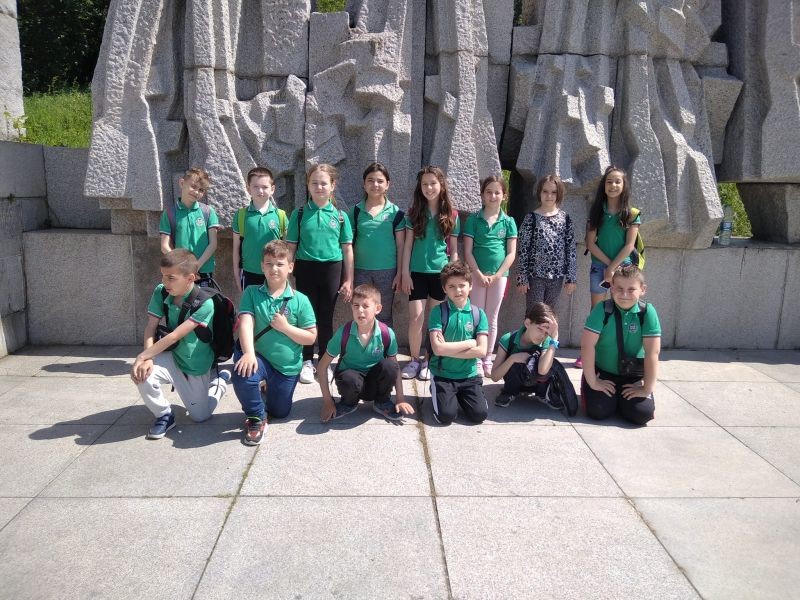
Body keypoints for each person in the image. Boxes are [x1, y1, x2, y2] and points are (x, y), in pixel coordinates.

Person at [130, 249, 230, 439]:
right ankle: (164, 415)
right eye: (162, 276)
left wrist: (142, 356)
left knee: (200, 416)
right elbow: (150, 327)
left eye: (171, 278)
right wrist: (147, 359)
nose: (164, 282)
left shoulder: (205, 303)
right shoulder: (161, 292)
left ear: (190, 278)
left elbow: (176, 335)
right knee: (142, 373)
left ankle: (220, 381)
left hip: (196, 364)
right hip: (172, 355)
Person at [231, 240, 317, 445]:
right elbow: (246, 323)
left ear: (290, 267)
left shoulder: (300, 299)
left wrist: (285, 327)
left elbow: (311, 337)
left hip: (286, 368)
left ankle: (267, 388)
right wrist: (248, 353)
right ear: (262, 266)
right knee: (243, 372)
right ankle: (256, 417)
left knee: (280, 412)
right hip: (260, 358)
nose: (274, 268)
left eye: (280, 264)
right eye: (269, 263)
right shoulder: (251, 292)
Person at [286, 163, 354, 384]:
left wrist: (348, 280)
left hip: (332, 269)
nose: (319, 187)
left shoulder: (341, 216)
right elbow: (291, 247)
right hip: (305, 268)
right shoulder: (299, 214)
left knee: (325, 318)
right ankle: (306, 360)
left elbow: (347, 250)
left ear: (332, 185)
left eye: (324, 183)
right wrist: (287, 276)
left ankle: (324, 361)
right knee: (306, 316)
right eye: (314, 183)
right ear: (308, 185)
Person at [318, 284, 414, 422]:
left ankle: (382, 402)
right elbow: (322, 366)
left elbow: (396, 368)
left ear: (378, 309)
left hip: (375, 383)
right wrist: (327, 401)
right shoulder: (343, 333)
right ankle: (348, 403)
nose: (360, 310)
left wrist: (400, 398)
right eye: (356, 305)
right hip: (352, 383)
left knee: (390, 366)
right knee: (349, 378)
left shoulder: (386, 333)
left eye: (365, 306)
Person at [400, 166, 460, 381]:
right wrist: (405, 273)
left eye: (433, 183)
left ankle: (428, 360)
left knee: (435, 321)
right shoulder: (414, 213)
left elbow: (454, 250)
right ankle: (414, 360)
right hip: (417, 273)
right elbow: (407, 246)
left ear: (441, 185)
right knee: (416, 318)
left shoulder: (451, 215)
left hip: (440, 275)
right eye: (424, 184)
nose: (429, 188)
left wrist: (452, 276)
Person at [580, 265, 660, 425]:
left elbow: (652, 353)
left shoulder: (647, 312)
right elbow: (587, 346)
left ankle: (620, 401)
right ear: (611, 288)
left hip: (632, 374)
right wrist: (593, 381)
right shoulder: (602, 310)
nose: (624, 295)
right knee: (598, 411)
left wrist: (647, 388)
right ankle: (599, 393)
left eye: (631, 289)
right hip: (603, 372)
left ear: (643, 289)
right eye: (619, 288)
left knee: (641, 415)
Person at [463, 175, 517, 377]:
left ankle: (487, 357)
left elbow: (511, 253)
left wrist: (497, 275)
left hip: (499, 277)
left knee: (492, 317)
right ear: (482, 194)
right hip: (476, 275)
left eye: (497, 192)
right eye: (489, 192)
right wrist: (477, 273)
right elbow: (468, 251)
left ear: (504, 196)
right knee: (476, 316)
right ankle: (475, 358)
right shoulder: (473, 220)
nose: (493, 196)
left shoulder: (509, 222)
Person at [427, 260, 489, 425]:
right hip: (443, 374)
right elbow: (438, 349)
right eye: (452, 286)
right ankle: (437, 390)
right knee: (446, 416)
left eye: (462, 285)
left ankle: (459, 396)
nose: (458, 290)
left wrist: (447, 349)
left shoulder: (478, 314)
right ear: (444, 289)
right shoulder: (438, 312)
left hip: (469, 375)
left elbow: (482, 351)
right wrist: (470, 343)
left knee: (480, 415)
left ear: (470, 286)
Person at [348, 162, 406, 328]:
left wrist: (399, 274)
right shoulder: (355, 212)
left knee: (384, 314)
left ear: (387, 184)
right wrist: (349, 276)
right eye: (370, 180)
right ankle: (361, 343)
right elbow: (348, 246)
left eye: (380, 181)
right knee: (361, 314)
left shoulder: (396, 213)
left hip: (387, 271)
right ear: (364, 184)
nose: (375, 184)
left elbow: (401, 246)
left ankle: (386, 344)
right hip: (360, 270)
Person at [516, 174, 576, 311]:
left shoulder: (565, 219)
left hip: (557, 276)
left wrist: (571, 278)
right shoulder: (531, 218)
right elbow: (523, 250)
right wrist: (522, 277)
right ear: (539, 192)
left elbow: (571, 249)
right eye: (545, 191)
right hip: (535, 276)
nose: (549, 196)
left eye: (553, 192)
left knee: (548, 314)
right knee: (534, 313)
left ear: (559, 194)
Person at [490, 302, 562, 410]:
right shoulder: (508, 339)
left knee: (548, 361)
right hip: (514, 381)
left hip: (536, 382)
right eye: (540, 329)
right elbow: (494, 377)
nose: (542, 335)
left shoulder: (547, 341)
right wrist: (512, 359)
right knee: (516, 361)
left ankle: (543, 393)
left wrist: (554, 339)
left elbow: (543, 370)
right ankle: (509, 392)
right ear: (528, 323)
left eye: (547, 332)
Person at [159, 167, 221, 287]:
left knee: (204, 299)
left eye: (201, 190)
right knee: (182, 299)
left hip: (204, 269)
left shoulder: (208, 212)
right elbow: (164, 246)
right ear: (182, 183)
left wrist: (196, 266)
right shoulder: (170, 213)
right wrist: (181, 266)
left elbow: (213, 244)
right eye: (193, 186)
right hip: (180, 271)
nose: (196, 192)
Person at [232, 166, 287, 293]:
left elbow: (286, 250)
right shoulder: (241, 215)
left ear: (272, 189)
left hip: (274, 272)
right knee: (251, 306)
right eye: (256, 187)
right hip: (249, 272)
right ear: (248, 189)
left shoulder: (280, 216)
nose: (260, 191)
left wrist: (285, 274)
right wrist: (236, 274)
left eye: (265, 187)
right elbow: (236, 249)